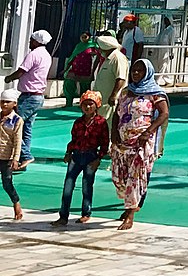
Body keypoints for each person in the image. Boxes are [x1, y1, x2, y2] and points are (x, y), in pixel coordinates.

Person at [110, 59, 169, 231]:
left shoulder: (155, 93)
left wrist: (148, 132)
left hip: (142, 142)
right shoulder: (126, 92)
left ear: (147, 73)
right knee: (120, 177)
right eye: (134, 70)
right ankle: (131, 204)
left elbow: (164, 113)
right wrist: (114, 132)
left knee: (135, 178)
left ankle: (130, 214)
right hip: (123, 142)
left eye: (140, 71)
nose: (136, 74)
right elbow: (117, 113)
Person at [52, 89, 110, 227]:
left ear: (97, 105)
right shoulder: (78, 122)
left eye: (91, 104)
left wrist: (98, 159)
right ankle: (63, 216)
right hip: (76, 156)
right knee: (68, 185)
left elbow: (104, 143)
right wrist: (68, 153)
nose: (88, 107)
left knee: (86, 185)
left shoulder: (101, 123)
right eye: (85, 104)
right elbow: (73, 140)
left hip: (91, 156)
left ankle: (86, 212)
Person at [4, 29, 53, 171]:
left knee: (12, 124)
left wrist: (9, 78)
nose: (30, 42)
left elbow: (21, 71)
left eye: (32, 40)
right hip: (38, 96)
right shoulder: (46, 55)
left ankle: (25, 155)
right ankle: (20, 159)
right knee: (26, 128)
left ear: (37, 41)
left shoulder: (34, 54)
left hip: (29, 96)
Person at [91, 33, 130, 124]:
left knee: (108, 123)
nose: (99, 50)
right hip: (102, 99)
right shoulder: (108, 58)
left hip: (109, 100)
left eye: (100, 47)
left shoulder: (117, 58)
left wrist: (113, 95)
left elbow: (121, 79)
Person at [0, 89, 22, 220]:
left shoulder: (17, 120)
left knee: (7, 183)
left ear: (14, 103)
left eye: (7, 102)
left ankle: (16, 203)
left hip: (7, 157)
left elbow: (17, 141)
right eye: (2, 101)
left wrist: (16, 159)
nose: (4, 104)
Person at [63, 31, 98, 106]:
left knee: (84, 88)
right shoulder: (79, 46)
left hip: (85, 70)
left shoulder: (93, 46)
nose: (83, 39)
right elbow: (73, 56)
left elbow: (99, 55)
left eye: (85, 37)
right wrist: (67, 68)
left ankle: (84, 104)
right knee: (68, 83)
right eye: (82, 37)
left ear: (89, 37)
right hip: (75, 68)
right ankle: (68, 103)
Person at [154, 16, 177, 86]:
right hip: (159, 49)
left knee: (163, 64)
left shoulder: (171, 30)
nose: (165, 21)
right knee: (160, 64)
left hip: (165, 50)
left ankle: (157, 80)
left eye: (166, 20)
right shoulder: (163, 29)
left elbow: (172, 41)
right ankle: (167, 79)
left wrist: (172, 52)